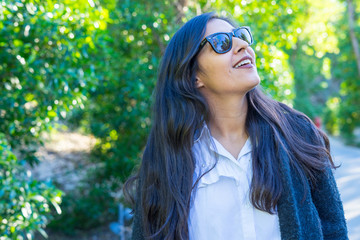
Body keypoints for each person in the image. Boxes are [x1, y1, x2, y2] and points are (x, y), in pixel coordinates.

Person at [124, 12, 348, 240]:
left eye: (240, 36)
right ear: (193, 77)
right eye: (222, 43)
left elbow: (334, 229)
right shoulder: (165, 159)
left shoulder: (298, 133)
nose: (242, 45)